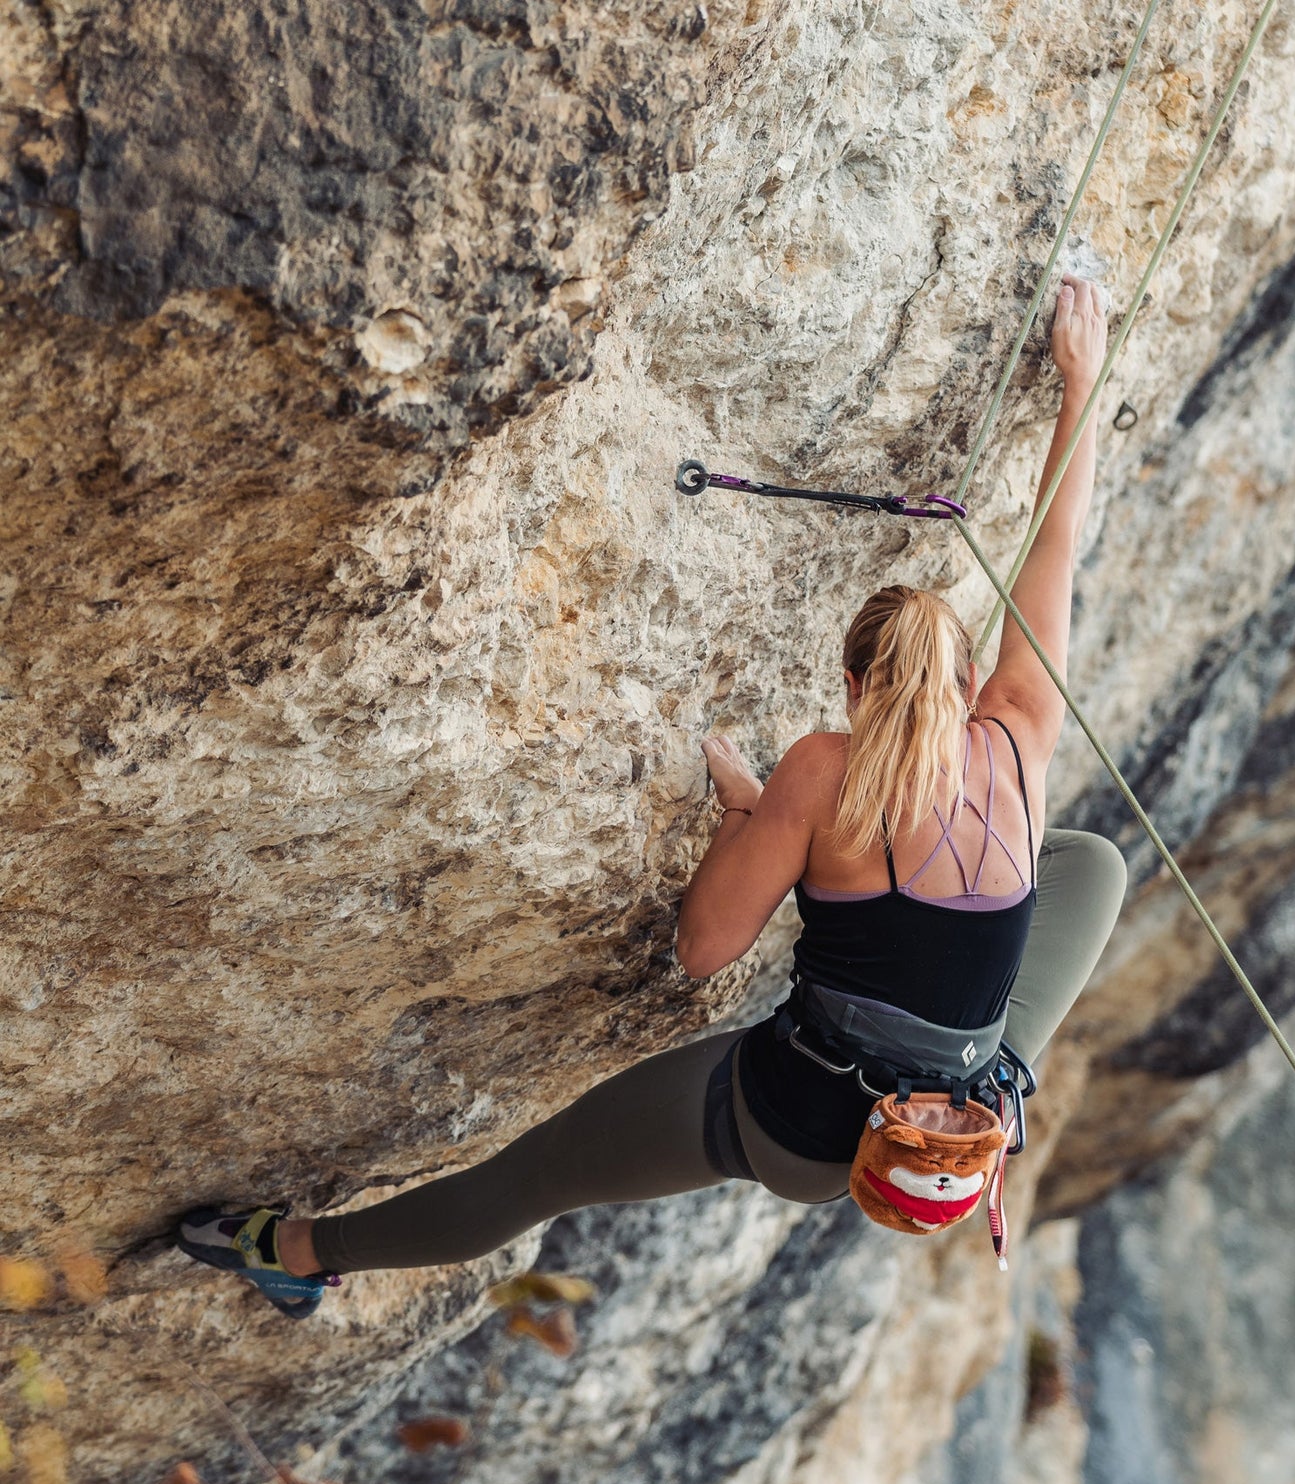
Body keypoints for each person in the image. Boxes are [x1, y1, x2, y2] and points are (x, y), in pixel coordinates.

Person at [178, 273, 1128, 1317]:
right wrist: (1079, 382)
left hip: (801, 1128)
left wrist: (747, 818)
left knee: (533, 1176)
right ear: (967, 686)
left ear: (855, 689)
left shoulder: (821, 769)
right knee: (1092, 862)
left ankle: (297, 1249)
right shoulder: (1022, 730)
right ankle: (989, 1069)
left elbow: (703, 950)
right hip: (938, 1135)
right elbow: (1056, 545)